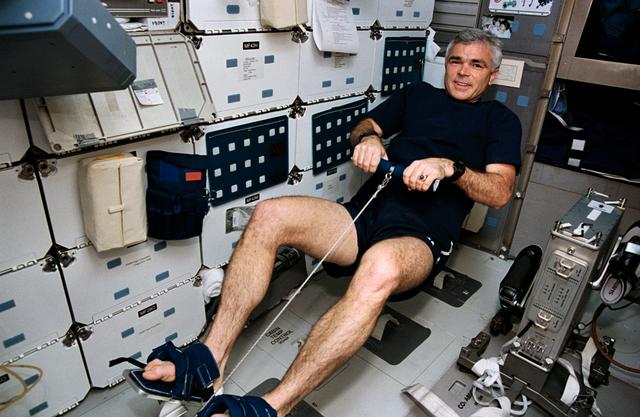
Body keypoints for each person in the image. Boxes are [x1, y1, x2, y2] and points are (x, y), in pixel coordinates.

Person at [129, 28, 522, 417]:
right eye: (456, 61)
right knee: (269, 214)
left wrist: (451, 168)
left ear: (492, 75)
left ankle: (273, 407)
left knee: (379, 268)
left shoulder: (499, 120)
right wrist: (368, 140)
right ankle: (208, 365)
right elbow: (364, 126)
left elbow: (500, 191)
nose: (463, 71)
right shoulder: (418, 94)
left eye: (476, 65)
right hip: (364, 215)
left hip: (421, 235)